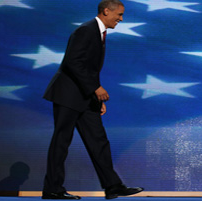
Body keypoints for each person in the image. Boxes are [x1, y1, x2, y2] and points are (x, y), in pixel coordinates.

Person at [42, 0, 143, 199]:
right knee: (61, 142)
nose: (121, 19)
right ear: (106, 11)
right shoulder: (86, 30)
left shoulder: (98, 32)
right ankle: (53, 189)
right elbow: (73, 62)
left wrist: (96, 98)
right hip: (68, 95)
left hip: (85, 97)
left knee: (98, 141)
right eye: (119, 15)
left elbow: (89, 68)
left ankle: (113, 186)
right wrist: (95, 88)